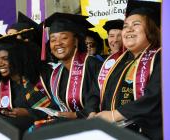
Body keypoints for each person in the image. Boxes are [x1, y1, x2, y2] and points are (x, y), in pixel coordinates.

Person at [90, 1, 162, 139]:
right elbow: (97, 92)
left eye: (136, 25)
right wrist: (93, 111)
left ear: (151, 29)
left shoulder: (162, 57)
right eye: (125, 26)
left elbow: (156, 96)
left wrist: (114, 115)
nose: (129, 29)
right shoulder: (117, 62)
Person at [0, 32, 52, 135]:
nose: (0, 64)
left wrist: (27, 112)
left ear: (17, 58)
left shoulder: (41, 78)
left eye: (5, 58)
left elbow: (56, 110)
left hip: (40, 129)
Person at [40, 12, 102, 121]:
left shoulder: (93, 64)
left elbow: (99, 98)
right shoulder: (56, 74)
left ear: (76, 41)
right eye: (53, 40)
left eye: (64, 38)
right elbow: (57, 106)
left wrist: (76, 115)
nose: (58, 43)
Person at [97, 19, 124, 94]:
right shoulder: (103, 63)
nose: (115, 40)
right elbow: (95, 90)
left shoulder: (133, 60)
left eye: (119, 36)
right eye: (111, 36)